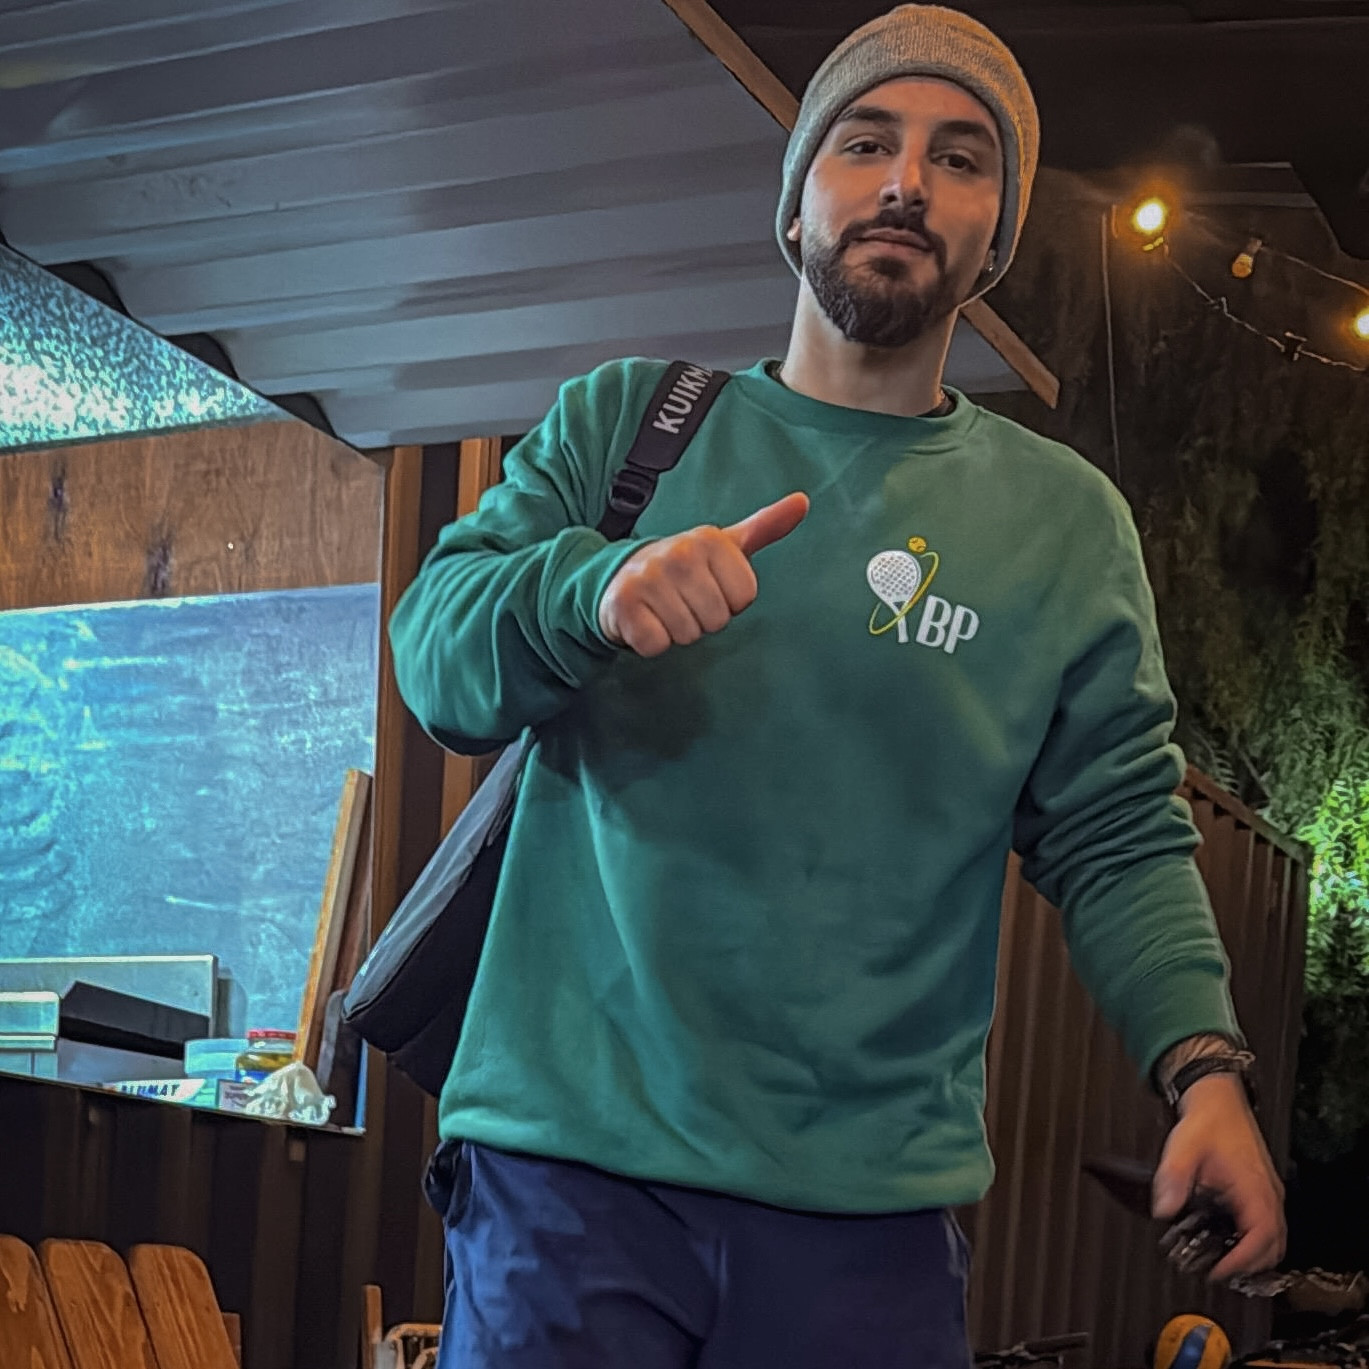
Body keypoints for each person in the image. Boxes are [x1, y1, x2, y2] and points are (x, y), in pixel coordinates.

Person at [389, 5, 1286, 1365]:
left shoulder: (1063, 524)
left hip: (868, 1224)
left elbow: (1116, 831)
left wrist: (1204, 1071)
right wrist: (592, 591)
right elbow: (437, 657)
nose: (906, 182)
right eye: (865, 142)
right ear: (797, 197)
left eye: (960, 158)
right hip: (568, 1180)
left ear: (996, 232)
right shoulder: (627, 425)